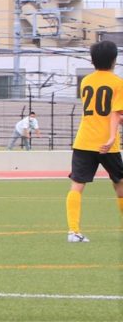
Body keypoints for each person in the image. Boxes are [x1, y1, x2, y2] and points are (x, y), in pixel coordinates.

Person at [66, 40, 123, 243]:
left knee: (77, 185)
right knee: (120, 184)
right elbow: (115, 114)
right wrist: (111, 137)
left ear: (92, 60)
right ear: (114, 60)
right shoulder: (118, 83)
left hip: (84, 140)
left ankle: (73, 232)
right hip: (107, 144)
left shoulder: (86, 81)